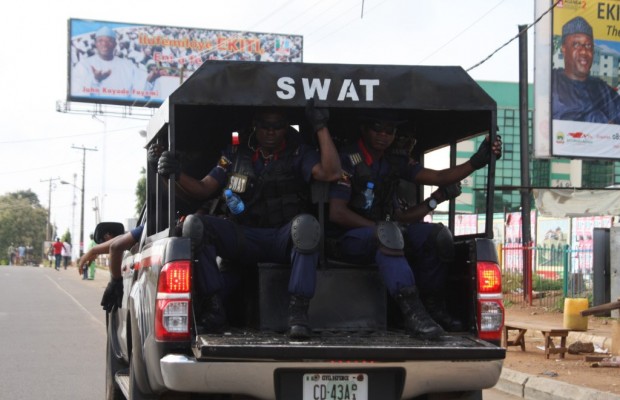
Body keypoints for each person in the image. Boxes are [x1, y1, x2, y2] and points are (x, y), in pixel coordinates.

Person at [152, 101, 341, 338]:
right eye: (265, 126)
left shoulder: (299, 152)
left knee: (306, 226)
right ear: (255, 126)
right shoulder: (233, 155)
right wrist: (175, 173)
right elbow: (203, 189)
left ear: (286, 128)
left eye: (278, 126)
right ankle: (214, 309)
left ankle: (298, 314)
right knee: (195, 224)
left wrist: (321, 126)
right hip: (245, 237)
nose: (271, 132)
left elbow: (331, 173)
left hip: (282, 237)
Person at [327, 110, 502, 340]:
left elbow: (439, 177)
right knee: (388, 233)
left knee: (437, 236)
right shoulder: (348, 158)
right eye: (377, 128)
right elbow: (336, 212)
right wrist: (378, 228)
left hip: (386, 235)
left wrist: (476, 162)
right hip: (349, 240)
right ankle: (413, 313)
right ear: (364, 129)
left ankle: (433, 308)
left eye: (390, 130)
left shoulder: (392, 161)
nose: (383, 135)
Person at [552, 16, 620, 123]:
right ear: (564, 49)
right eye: (576, 44)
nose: (584, 51)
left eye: (588, 46)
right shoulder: (552, 83)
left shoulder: (603, 90)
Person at [71, 26, 161, 100]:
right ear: (96, 44)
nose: (104, 44)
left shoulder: (128, 65)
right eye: (100, 41)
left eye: (108, 41)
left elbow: (141, 94)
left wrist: (149, 80)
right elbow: (78, 93)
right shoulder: (83, 65)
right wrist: (95, 80)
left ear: (114, 44)